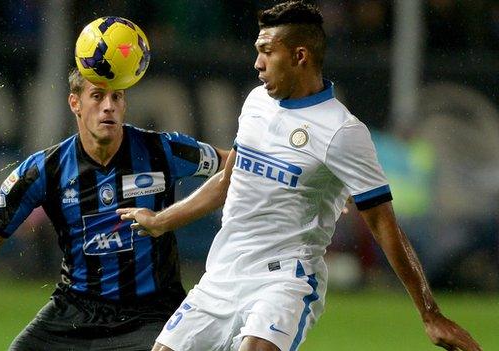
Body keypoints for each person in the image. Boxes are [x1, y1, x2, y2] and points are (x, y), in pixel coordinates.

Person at [118, 2, 482, 351]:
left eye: (266, 51)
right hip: (222, 275)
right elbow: (230, 180)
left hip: (285, 280)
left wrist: (429, 313)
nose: (257, 63)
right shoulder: (256, 102)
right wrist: (162, 221)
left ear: (300, 56)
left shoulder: (342, 131)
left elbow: (384, 224)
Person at [0, 68, 229, 351]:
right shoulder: (44, 169)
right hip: (74, 312)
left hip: (151, 313)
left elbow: (237, 167)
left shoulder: (162, 149)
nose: (108, 106)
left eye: (117, 97)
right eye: (97, 96)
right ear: (75, 103)